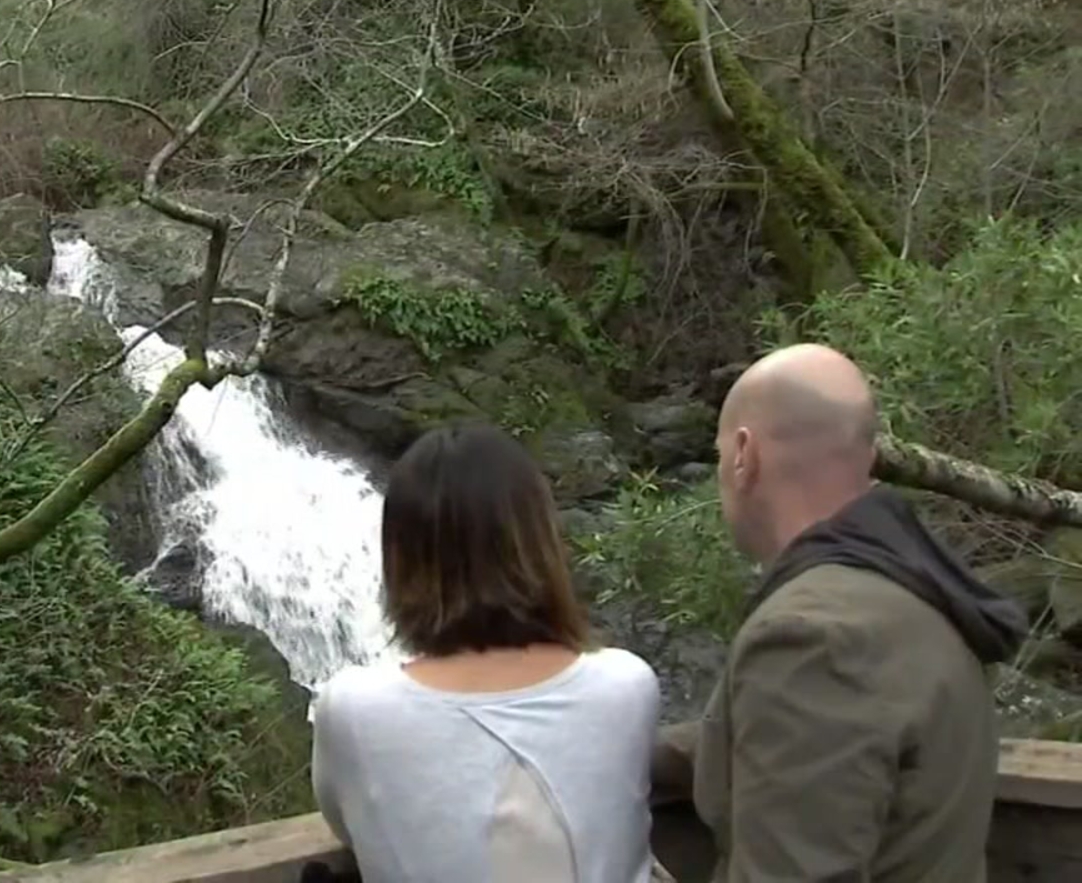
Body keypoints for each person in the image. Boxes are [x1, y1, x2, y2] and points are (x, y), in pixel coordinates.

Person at [651, 343, 1028, 882]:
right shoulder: (911, 588)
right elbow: (815, 747)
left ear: (743, 454)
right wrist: (621, 745)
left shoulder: (811, 636)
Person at [312, 422, 661, 883]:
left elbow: (349, 824)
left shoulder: (353, 708)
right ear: (541, 541)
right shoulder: (626, 685)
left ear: (399, 555)